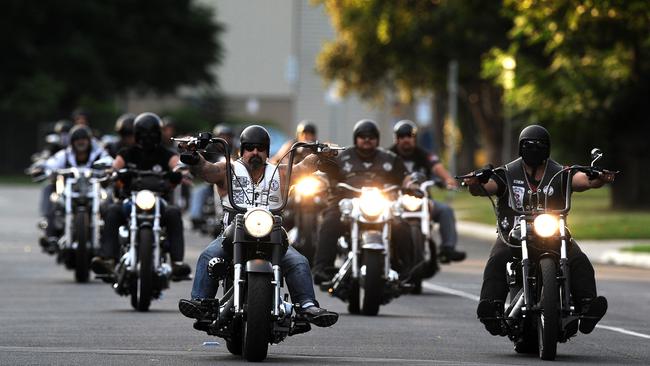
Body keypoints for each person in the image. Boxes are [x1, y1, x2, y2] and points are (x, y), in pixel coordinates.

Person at [177, 125, 339, 329]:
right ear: (241, 150)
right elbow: (207, 170)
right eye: (250, 147)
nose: (255, 152)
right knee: (208, 256)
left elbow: (304, 167)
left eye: (260, 148)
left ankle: (307, 306)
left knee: (299, 262)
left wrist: (320, 155)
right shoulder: (228, 170)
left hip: (273, 235)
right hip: (232, 234)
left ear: (267, 151)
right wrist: (193, 156)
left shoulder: (280, 173)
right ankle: (200, 303)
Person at [462, 125, 612, 336]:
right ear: (520, 148)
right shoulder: (507, 172)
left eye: (539, 145)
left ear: (548, 148)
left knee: (578, 259)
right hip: (514, 235)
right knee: (497, 258)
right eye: (528, 145)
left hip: (552, 234)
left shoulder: (560, 172)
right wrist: (475, 183)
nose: (534, 149)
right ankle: (491, 309)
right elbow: (485, 188)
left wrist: (599, 178)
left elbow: (584, 180)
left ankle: (588, 308)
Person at [311, 119, 419, 284]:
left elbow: (405, 178)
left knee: (401, 225)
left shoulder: (390, 159)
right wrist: (322, 179)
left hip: (381, 204)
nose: (367, 139)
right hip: (347, 203)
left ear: (377, 139)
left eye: (371, 136)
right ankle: (322, 268)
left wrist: (412, 186)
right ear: (356, 138)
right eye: (362, 136)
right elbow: (326, 173)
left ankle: (408, 271)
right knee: (330, 221)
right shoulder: (343, 157)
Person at [91, 112, 191, 279]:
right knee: (112, 211)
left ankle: (177, 263)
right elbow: (115, 167)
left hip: (159, 200)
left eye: (152, 134)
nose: (148, 137)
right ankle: (108, 258)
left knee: (173, 213)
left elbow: (177, 164)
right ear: (136, 134)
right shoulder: (127, 153)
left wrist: (181, 171)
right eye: (144, 134)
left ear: (158, 134)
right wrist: (111, 173)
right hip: (130, 199)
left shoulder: (165, 153)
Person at [390, 120, 466, 263]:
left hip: (422, 200)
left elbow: (436, 166)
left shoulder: (424, 154)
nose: (406, 139)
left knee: (445, 210)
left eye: (409, 135)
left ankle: (447, 249)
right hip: (395, 202)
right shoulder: (389, 156)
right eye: (402, 136)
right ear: (396, 138)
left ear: (415, 138)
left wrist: (447, 179)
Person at [40, 125, 111, 253]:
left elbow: (109, 161)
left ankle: (108, 242)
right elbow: (50, 164)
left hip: (94, 191)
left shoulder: (99, 153)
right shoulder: (65, 155)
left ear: (89, 141)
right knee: (55, 200)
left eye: (84, 138)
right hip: (70, 191)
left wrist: (108, 167)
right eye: (77, 139)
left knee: (109, 205)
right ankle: (51, 237)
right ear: (72, 142)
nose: (80, 141)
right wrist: (42, 168)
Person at [188, 124, 237, 230]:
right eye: (222, 136)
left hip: (230, 182)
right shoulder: (208, 149)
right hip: (211, 181)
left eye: (228, 136)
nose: (225, 138)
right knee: (198, 191)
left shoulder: (235, 149)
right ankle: (195, 216)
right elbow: (202, 163)